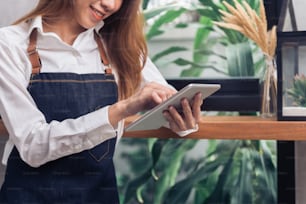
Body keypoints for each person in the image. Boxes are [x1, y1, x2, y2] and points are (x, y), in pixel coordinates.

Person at [0, 0, 203, 203]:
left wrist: (182, 119)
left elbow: (167, 98)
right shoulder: (9, 44)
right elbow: (33, 145)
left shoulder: (120, 47)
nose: (110, 4)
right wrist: (122, 108)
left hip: (99, 196)